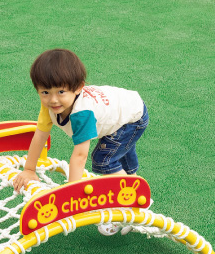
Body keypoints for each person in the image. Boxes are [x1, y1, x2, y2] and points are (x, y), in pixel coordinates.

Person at [12, 48, 149, 236]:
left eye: (61, 91)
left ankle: (128, 202)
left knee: (104, 159)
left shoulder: (82, 113)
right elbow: (40, 136)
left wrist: (70, 197)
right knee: (118, 154)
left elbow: (79, 156)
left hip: (131, 118)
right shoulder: (49, 107)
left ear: (78, 88)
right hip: (120, 111)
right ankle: (136, 193)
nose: (53, 100)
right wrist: (29, 169)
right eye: (45, 92)